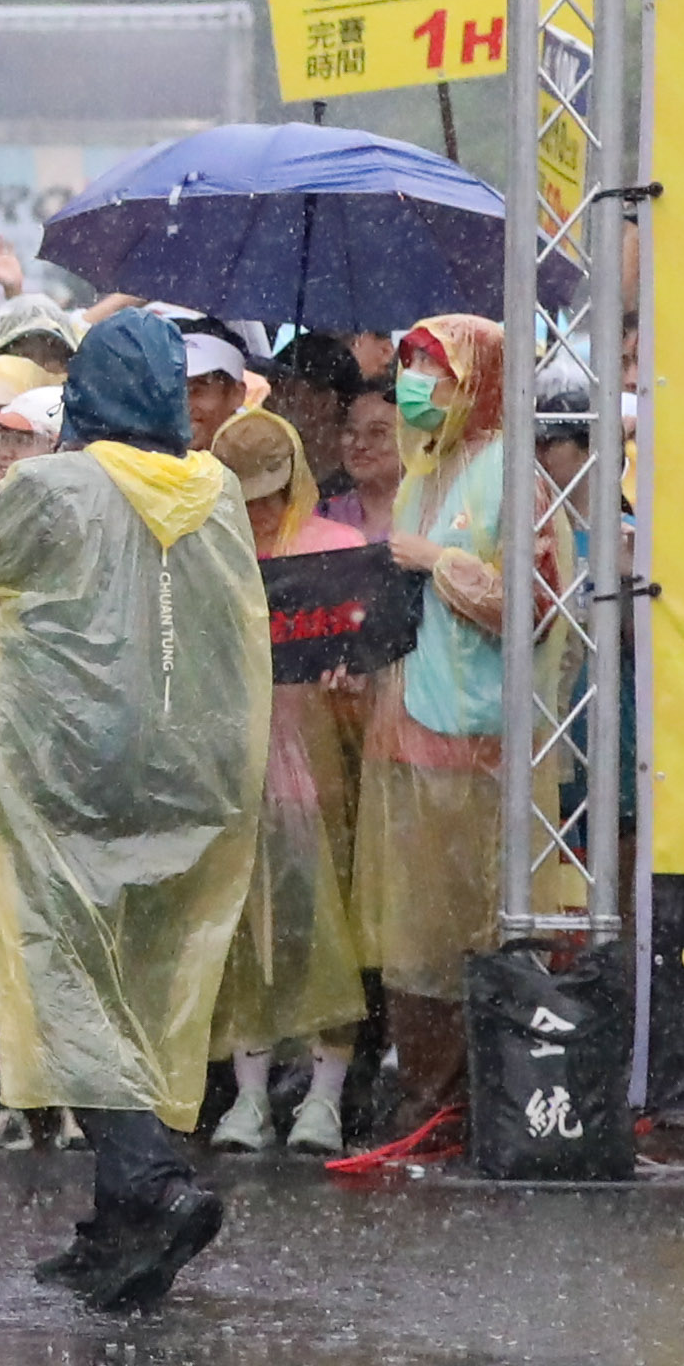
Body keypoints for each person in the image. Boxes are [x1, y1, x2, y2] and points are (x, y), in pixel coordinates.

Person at [0, 307, 271, 1308]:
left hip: (70, 764)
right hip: (189, 768)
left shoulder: (56, 485)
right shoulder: (216, 489)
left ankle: (152, 1181)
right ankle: (117, 1220)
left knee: (67, 974)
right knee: (141, 979)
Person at [335, 312, 518, 1169]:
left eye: (432, 372)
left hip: (472, 739)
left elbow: (534, 603)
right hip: (401, 730)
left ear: (477, 379)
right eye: (409, 368)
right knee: (408, 937)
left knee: (465, 932)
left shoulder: (508, 472)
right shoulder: (422, 474)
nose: (416, 388)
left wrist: (439, 563)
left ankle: (461, 1104)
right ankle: (422, 1099)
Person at [203, 395, 373, 1155]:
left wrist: (351, 678)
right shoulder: (210, 555)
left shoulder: (337, 550)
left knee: (324, 933)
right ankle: (249, 1096)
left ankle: (324, 1097)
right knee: (243, 936)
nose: (259, 511)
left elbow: (370, 655)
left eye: (268, 495)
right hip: (233, 773)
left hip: (322, 770)